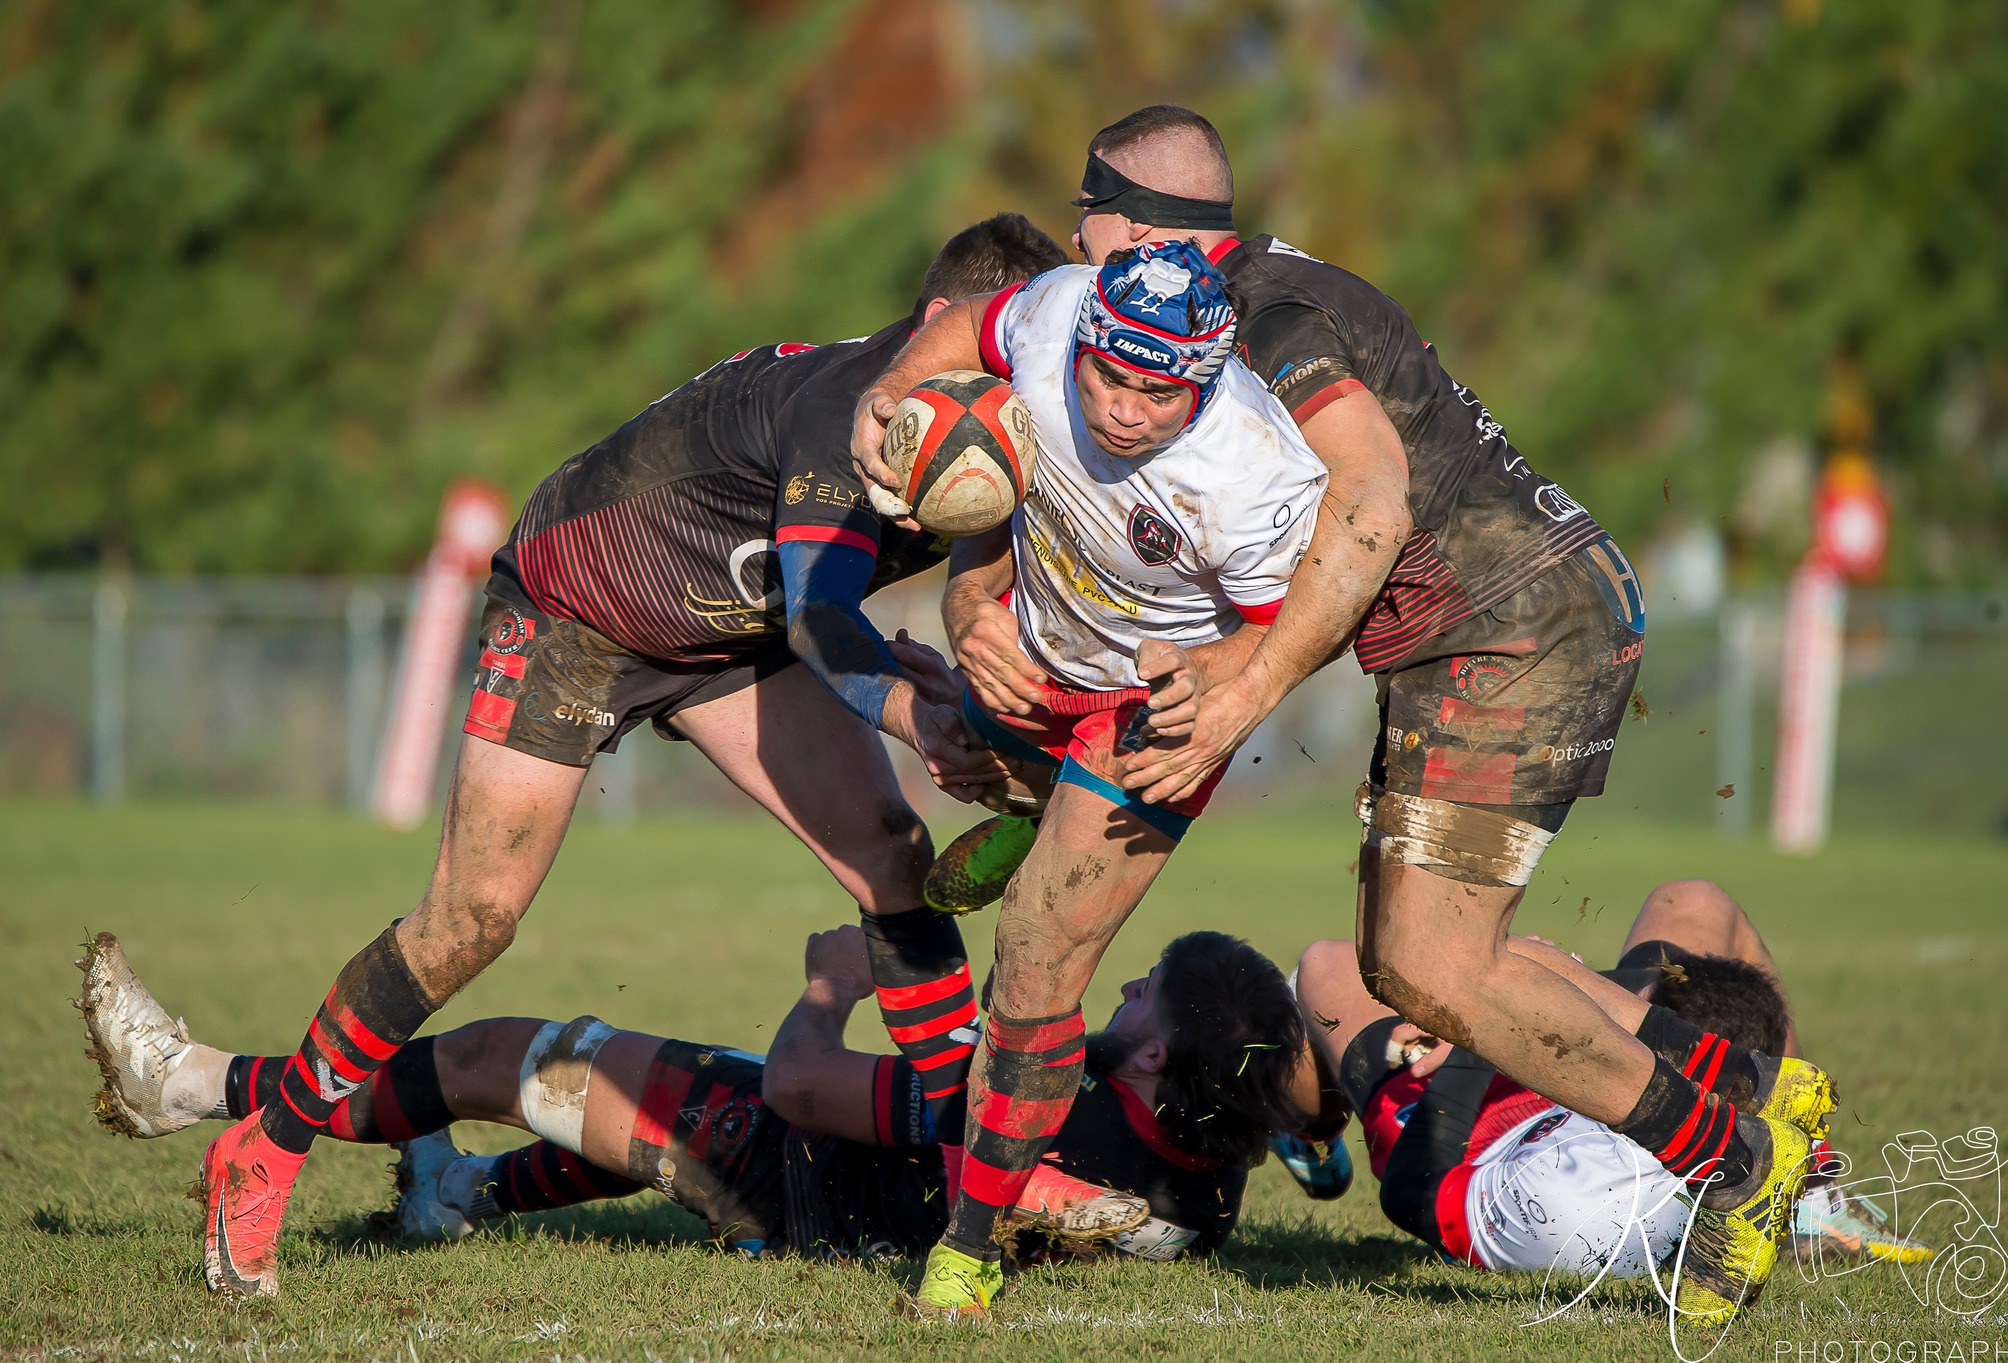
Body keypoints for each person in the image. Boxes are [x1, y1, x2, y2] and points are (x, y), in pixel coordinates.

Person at [856, 108, 1833, 1326]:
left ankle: (1731, 1157)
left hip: (1510, 628)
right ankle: (1752, 1095)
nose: (1072, 235)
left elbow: (1367, 509)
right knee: (1400, 964)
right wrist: (905, 424)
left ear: (1146, 226)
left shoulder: (1262, 337)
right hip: (1462, 635)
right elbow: (983, 345)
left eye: (1087, 215)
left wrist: (1239, 700)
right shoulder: (1108, 314)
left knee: (1428, 965)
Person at [187, 215, 1072, 1297]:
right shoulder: (851, 411)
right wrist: (915, 713)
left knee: (891, 855)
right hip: (575, 615)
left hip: (727, 637)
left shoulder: (994, 423)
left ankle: (963, 1173)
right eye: (1022, 342)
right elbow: (816, 614)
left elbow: (838, 598)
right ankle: (263, 1146)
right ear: (946, 326)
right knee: (475, 919)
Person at [846, 238, 1328, 1314]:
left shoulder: (1253, 473)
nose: (1118, 408)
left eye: (1156, 393)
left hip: (1144, 715)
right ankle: (1026, 811)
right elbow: (961, 328)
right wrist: (889, 397)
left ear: (1205, 378)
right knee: (965, 757)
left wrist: (1204, 683)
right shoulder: (1056, 311)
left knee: (1031, 968)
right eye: (1105, 376)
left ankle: (967, 1247)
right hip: (1030, 654)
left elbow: (1285, 637)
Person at [79, 924, 1304, 1266]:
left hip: (796, 1173)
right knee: (611, 1120)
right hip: (856, 1211)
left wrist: (829, 987)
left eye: (1141, 994)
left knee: (505, 1057)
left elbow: (804, 1085)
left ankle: (189, 1084)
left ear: (1156, 1058)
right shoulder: (1210, 1152)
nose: (1119, 989)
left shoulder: (1048, 1102)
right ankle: (453, 1198)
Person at [1287, 879, 1926, 1284]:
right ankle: (1811, 1192)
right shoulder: (1727, 1109)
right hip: (1646, 1107)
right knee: (1695, 902)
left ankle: (1311, 1130)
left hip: (1473, 1138)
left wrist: (1484, 1024)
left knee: (1325, 968)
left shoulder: (1569, 1196)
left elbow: (1414, 1193)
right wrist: (1538, 987)